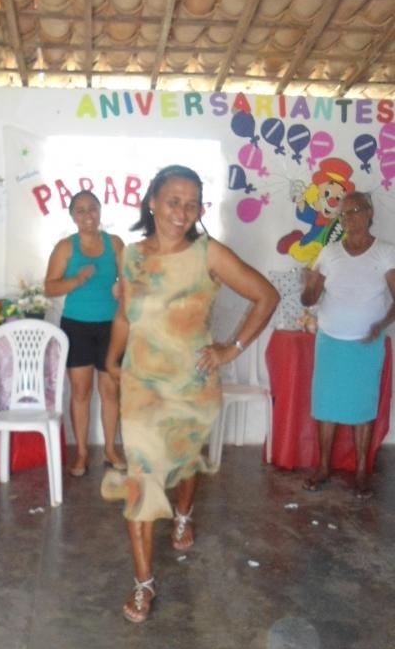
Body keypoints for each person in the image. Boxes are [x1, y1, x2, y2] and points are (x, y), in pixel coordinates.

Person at [102, 165, 279, 623]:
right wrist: (112, 361)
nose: (183, 211)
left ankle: (184, 512)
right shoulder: (131, 257)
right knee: (140, 480)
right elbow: (126, 314)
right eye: (174, 200)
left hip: (191, 387)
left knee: (185, 463)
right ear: (152, 202)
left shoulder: (209, 255)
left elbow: (266, 295)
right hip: (142, 386)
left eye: (192, 202)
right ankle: (143, 584)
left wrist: (229, 349)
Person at [301, 191, 395, 499]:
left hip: (366, 344)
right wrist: (309, 286)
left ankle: (361, 473)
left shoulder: (385, 252)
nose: (349, 218)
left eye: (355, 211)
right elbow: (309, 299)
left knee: (362, 410)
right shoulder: (329, 252)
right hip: (329, 341)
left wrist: (380, 326)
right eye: (343, 213)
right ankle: (324, 467)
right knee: (326, 407)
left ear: (369, 213)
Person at [44, 190, 125, 477]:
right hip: (77, 325)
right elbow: (50, 287)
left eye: (92, 208)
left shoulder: (115, 243)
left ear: (100, 211)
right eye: (81, 210)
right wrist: (77, 280)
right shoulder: (66, 247)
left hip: (111, 327)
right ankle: (80, 452)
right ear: (73, 216)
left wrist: (123, 288)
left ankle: (111, 450)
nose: (88, 215)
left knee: (110, 390)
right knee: (80, 391)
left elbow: (131, 281)